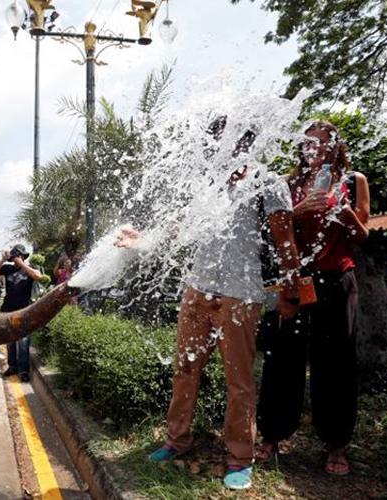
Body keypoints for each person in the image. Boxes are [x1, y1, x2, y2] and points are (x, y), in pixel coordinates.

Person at [115, 125, 301, 491]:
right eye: (214, 140)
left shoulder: (268, 183)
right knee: (184, 370)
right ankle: (176, 439)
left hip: (240, 296)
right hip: (197, 291)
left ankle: (239, 458)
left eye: (225, 138)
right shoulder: (208, 187)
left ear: (246, 141)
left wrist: (292, 295)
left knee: (239, 381)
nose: (217, 146)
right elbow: (178, 228)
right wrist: (143, 240)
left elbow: (285, 241)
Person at [256, 121, 370, 476]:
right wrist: (299, 211)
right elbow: (272, 232)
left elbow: (362, 235)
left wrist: (344, 211)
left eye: (323, 142)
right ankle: (271, 435)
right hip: (296, 281)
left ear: (336, 146)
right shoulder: (287, 185)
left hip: (337, 280)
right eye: (308, 142)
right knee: (281, 357)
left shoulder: (353, 181)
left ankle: (336, 443)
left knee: (336, 361)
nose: (315, 148)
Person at [0, 244, 43, 382]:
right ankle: (13, 367)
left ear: (23, 256)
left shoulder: (31, 269)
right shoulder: (7, 269)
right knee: (10, 341)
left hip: (24, 311)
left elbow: (38, 277)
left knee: (23, 342)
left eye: (19, 255)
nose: (17, 258)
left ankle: (24, 371)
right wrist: (2, 260)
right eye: (15, 256)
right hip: (7, 310)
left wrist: (22, 265)